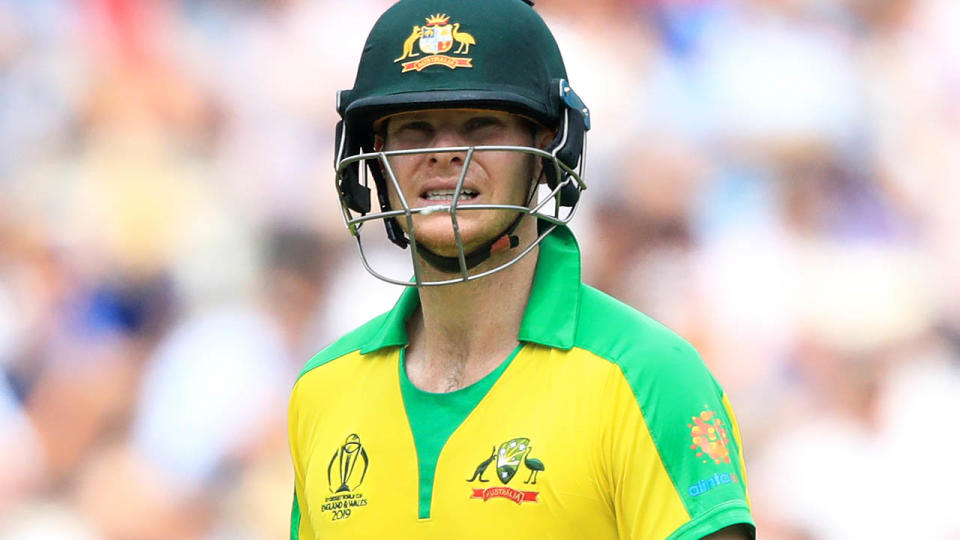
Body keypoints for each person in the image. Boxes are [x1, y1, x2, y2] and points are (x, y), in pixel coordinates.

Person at [288, 1, 754, 538]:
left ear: (546, 147)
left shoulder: (647, 375)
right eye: (414, 129)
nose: (445, 155)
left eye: (482, 126)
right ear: (373, 160)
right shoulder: (323, 390)